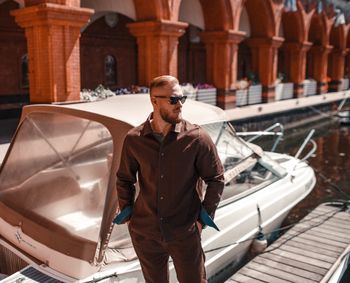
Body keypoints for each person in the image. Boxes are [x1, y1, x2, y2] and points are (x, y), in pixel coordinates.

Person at [115, 75, 224, 283]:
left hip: (185, 233)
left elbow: (216, 179)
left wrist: (202, 220)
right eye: (173, 100)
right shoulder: (133, 139)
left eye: (182, 98)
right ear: (154, 101)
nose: (180, 104)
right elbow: (124, 179)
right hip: (145, 233)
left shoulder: (197, 138)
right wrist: (128, 215)